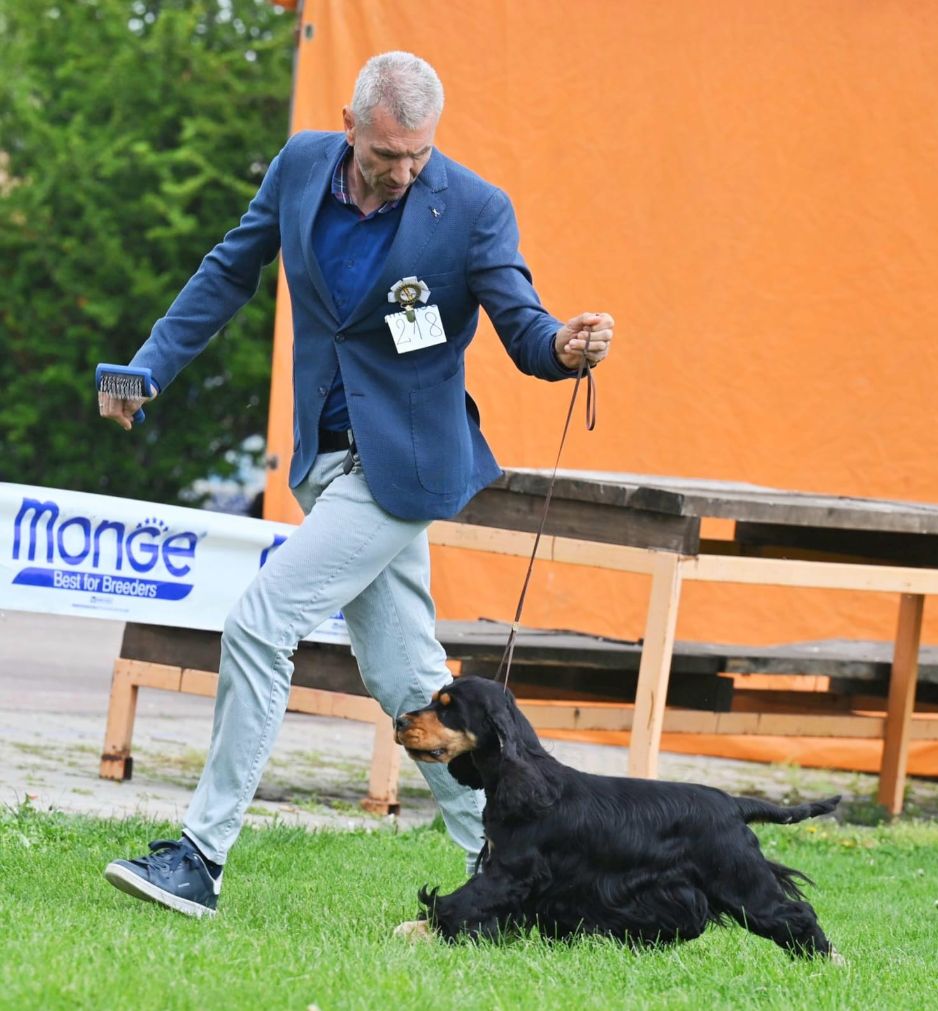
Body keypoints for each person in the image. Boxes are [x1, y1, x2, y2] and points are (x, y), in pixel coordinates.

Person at [98, 51, 614, 918]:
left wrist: (563, 347)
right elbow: (228, 271)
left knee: (262, 622)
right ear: (350, 123)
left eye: (416, 155)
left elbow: (520, 320)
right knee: (412, 681)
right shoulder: (301, 167)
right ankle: (528, 873)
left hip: (401, 469)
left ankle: (201, 855)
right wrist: (148, 367)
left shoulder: (474, 209)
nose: (402, 171)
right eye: (385, 155)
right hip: (324, 460)